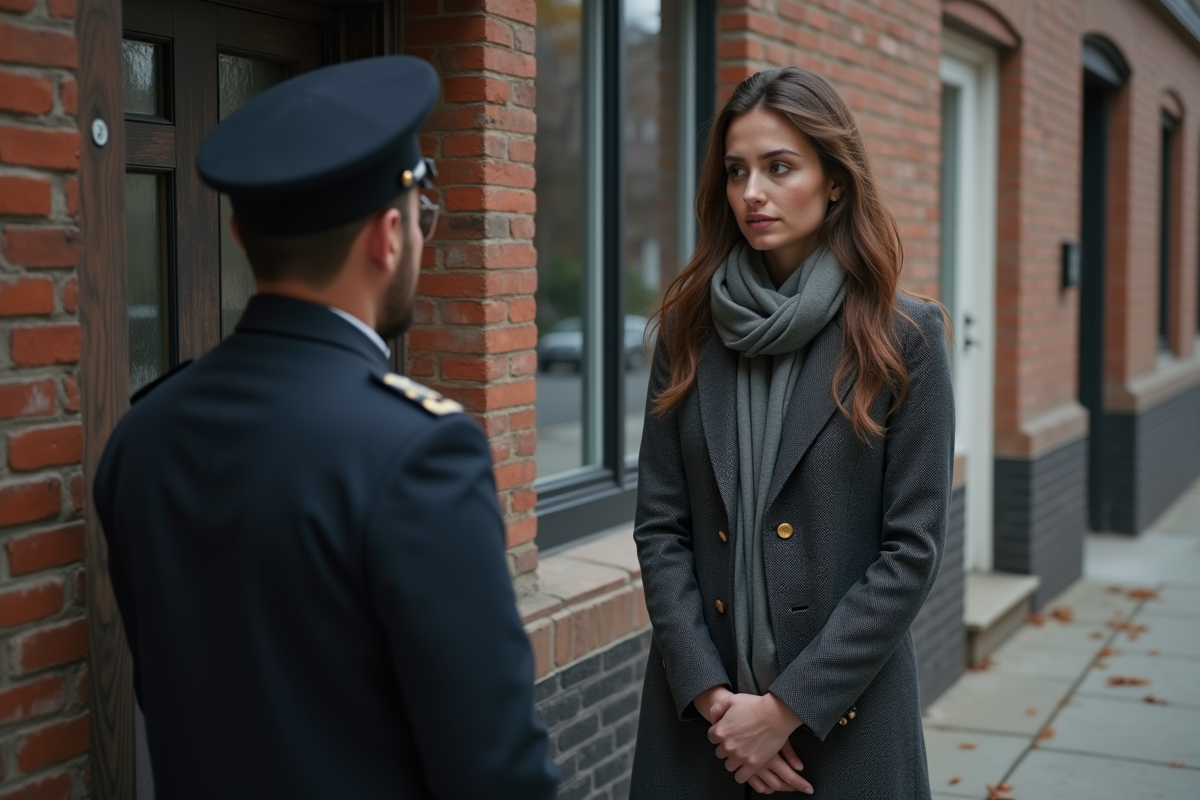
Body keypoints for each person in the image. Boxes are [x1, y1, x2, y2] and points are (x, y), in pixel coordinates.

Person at [93, 56, 559, 800]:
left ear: (242, 233)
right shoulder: (419, 451)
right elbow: (495, 774)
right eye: (420, 220)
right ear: (387, 236)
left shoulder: (143, 432)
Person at [629, 66, 954, 799]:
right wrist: (718, 705)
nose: (752, 193)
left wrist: (784, 710)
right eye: (737, 170)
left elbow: (912, 549)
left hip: (847, 728)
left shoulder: (905, 336)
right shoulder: (687, 331)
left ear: (834, 181)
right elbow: (661, 527)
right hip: (699, 735)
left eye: (780, 168)